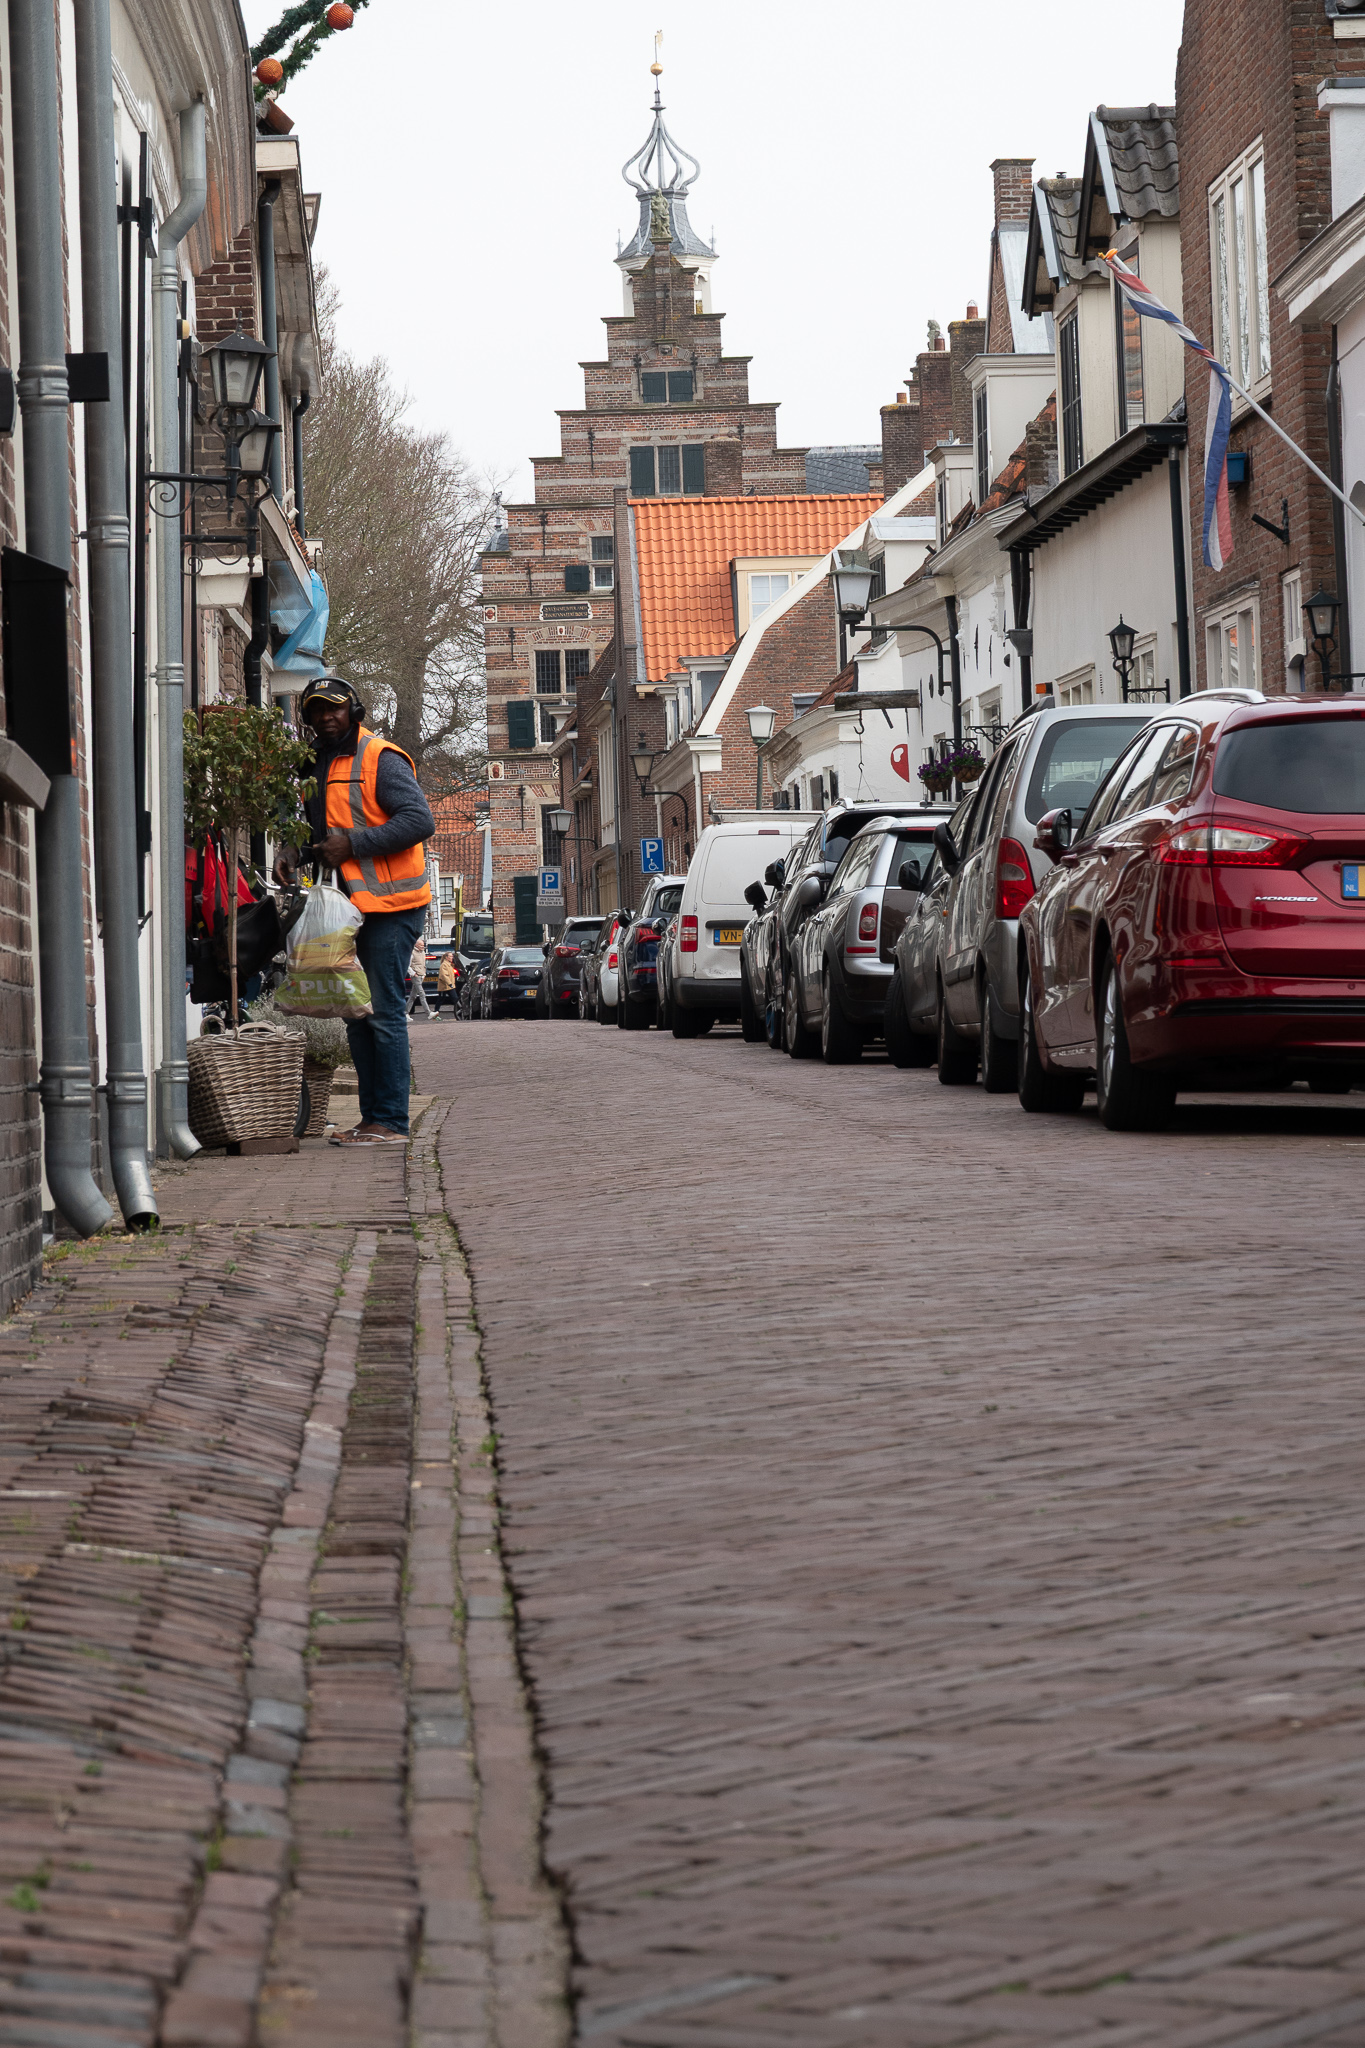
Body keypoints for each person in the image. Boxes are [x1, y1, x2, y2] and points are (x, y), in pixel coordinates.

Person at [275, 675, 435, 1145]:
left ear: (354, 711)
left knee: (382, 1010)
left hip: (392, 906)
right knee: (356, 1012)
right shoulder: (314, 765)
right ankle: (373, 1120)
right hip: (348, 910)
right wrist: (294, 851)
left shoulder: (379, 759)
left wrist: (354, 845)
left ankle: (391, 1122)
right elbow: (322, 833)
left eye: (335, 708)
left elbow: (418, 820)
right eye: (317, 711)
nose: (327, 717)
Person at [407, 935, 434, 1020]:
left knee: (413, 996)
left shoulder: (423, 952)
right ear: (416, 945)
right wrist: (413, 973)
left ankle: (405, 1013)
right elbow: (407, 965)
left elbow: (423, 964)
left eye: (423, 945)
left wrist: (424, 973)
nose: (423, 947)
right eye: (421, 945)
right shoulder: (412, 953)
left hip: (421, 975)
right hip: (416, 976)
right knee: (422, 994)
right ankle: (429, 1013)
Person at [436, 948, 458, 1015]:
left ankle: (458, 1010)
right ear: (446, 957)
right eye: (450, 956)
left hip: (449, 986)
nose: (452, 957)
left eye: (452, 956)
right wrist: (450, 983)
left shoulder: (449, 964)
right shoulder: (444, 965)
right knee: (441, 999)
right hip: (445, 986)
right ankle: (435, 1011)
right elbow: (444, 975)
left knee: (455, 999)